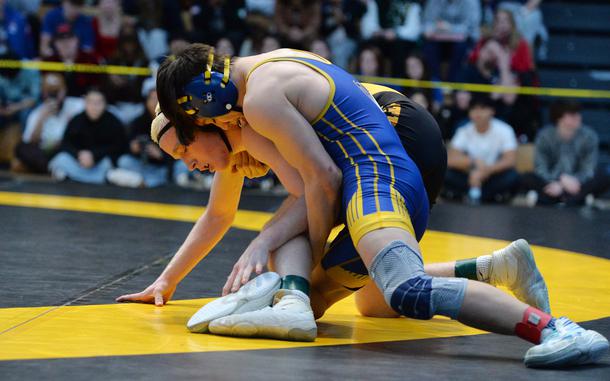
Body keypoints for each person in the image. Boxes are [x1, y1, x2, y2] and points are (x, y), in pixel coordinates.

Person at [123, 44, 607, 367]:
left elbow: (321, 179)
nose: (189, 163)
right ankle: (490, 269)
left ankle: (555, 330)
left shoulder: (257, 102)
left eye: (187, 147)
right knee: (374, 299)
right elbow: (248, 204)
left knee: (401, 288)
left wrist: (301, 253)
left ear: (206, 111)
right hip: (378, 168)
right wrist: (169, 280)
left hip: (384, 163)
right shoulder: (258, 81)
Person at [522, 100, 610, 206]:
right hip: (552, 182)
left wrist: (566, 183)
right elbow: (540, 167)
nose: (578, 117)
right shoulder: (544, 136)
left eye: (578, 113)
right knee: (527, 177)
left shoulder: (589, 136)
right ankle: (578, 199)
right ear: (559, 117)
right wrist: (559, 179)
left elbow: (588, 169)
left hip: (578, 183)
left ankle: (550, 199)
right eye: (572, 114)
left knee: (604, 174)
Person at [445, 95, 520, 203]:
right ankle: (488, 197)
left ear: (492, 111)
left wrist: (487, 171)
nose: (478, 113)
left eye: (483, 109)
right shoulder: (464, 130)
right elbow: (450, 158)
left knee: (512, 177)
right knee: (445, 173)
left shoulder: (504, 129)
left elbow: (510, 160)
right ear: (469, 113)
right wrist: (473, 163)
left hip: (493, 175)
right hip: (469, 175)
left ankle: (472, 195)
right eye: (474, 109)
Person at [48, 88, 127, 184]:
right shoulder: (76, 120)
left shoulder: (113, 122)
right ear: (85, 103)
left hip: (100, 165)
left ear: (105, 104)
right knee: (60, 159)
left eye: (98, 103)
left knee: (112, 164)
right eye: (90, 102)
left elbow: (119, 146)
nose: (94, 107)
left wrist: (94, 155)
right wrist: (79, 155)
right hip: (78, 163)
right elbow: (66, 144)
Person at [15, 73, 84, 173]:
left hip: (69, 148)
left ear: (64, 90)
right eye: (50, 92)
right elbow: (30, 142)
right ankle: (53, 168)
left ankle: (55, 168)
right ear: (43, 93)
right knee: (21, 148)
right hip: (46, 151)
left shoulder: (78, 105)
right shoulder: (38, 113)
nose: (54, 96)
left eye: (57, 91)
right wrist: (42, 118)